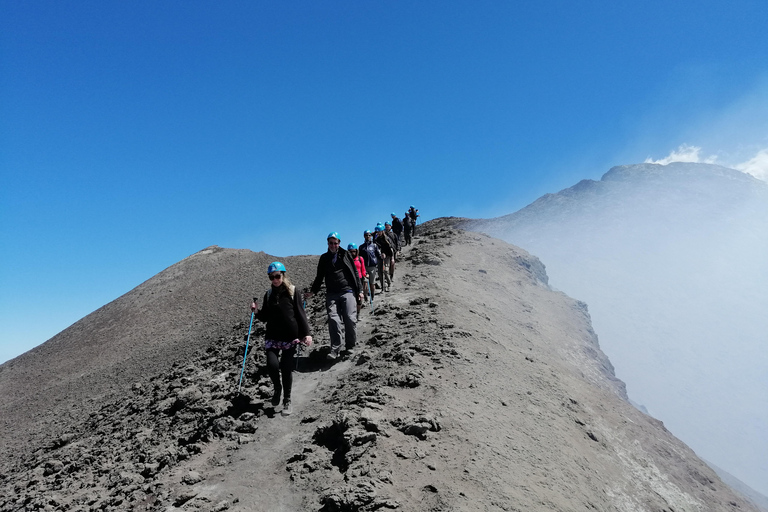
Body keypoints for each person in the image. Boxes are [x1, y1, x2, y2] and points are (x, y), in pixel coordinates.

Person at [253, 262, 312, 416]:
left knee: (286, 367)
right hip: (272, 336)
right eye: (272, 277)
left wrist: (306, 333)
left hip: (290, 337)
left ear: (283, 275)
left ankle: (287, 400)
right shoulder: (268, 294)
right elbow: (265, 316)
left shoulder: (293, 291)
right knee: (272, 365)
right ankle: (277, 388)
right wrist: (256, 311)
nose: (275, 280)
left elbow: (300, 313)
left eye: (277, 276)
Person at [307, 232, 364, 360]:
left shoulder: (345, 254)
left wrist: (359, 290)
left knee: (349, 318)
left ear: (339, 243)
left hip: (347, 290)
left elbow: (354, 272)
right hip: (332, 293)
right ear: (328, 243)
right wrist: (313, 291)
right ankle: (335, 349)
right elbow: (319, 276)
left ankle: (350, 346)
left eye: (335, 243)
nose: (333, 245)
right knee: (333, 319)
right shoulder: (324, 258)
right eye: (331, 243)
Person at [359, 230, 381, 302]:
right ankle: (365, 296)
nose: (368, 236)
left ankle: (372, 295)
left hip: (372, 266)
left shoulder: (374, 245)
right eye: (366, 235)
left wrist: (382, 257)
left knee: (372, 283)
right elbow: (359, 257)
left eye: (369, 235)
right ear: (364, 236)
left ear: (371, 236)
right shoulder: (361, 247)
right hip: (364, 266)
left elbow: (378, 255)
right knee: (365, 282)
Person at [348, 242, 367, 315]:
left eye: (354, 251)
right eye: (350, 251)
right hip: (350, 281)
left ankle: (358, 313)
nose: (352, 253)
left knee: (359, 298)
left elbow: (363, 269)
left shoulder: (360, 258)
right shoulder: (347, 260)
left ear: (356, 251)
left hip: (359, 280)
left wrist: (365, 274)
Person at [374, 226, 393, 292]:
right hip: (379, 257)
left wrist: (386, 254)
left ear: (382, 231)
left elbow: (390, 248)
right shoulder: (377, 240)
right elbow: (377, 248)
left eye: (379, 231)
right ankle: (383, 287)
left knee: (385, 270)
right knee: (379, 272)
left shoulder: (387, 239)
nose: (378, 233)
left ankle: (389, 284)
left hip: (387, 256)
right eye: (377, 232)